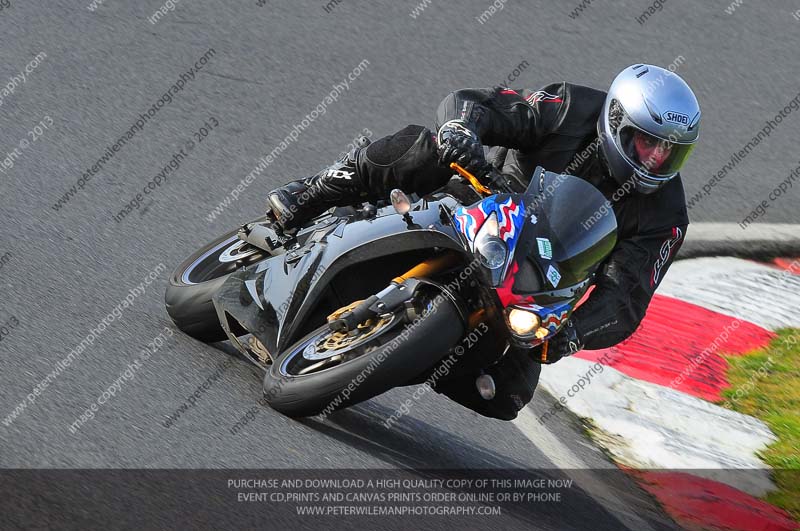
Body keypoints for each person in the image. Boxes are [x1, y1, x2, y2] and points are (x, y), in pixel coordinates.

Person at [265, 64, 700, 420]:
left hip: (537, 279)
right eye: (648, 143)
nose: (656, 160)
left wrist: (575, 334)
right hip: (484, 202)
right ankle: (315, 191)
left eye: (670, 152)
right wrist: (462, 128)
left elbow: (627, 296)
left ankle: (405, 351)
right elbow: (483, 105)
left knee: (505, 394)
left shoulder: (667, 218)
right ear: (617, 121)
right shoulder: (572, 108)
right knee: (430, 146)